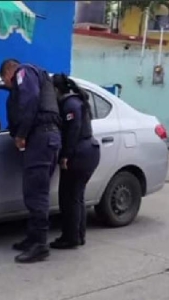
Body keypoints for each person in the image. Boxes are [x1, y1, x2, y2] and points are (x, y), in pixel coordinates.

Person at [0, 59, 62, 263]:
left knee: (36, 193)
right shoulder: (38, 75)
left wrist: (21, 134)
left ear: (9, 73)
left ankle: (40, 245)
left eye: (5, 82)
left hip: (41, 137)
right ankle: (33, 238)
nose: (8, 87)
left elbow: (30, 99)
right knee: (33, 191)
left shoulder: (23, 72)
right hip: (45, 138)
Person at [50, 73, 100, 249]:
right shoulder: (76, 101)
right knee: (77, 197)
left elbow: (73, 131)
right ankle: (78, 236)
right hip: (87, 152)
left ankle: (70, 238)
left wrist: (65, 156)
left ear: (56, 89)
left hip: (79, 154)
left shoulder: (70, 105)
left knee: (69, 197)